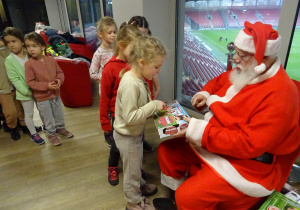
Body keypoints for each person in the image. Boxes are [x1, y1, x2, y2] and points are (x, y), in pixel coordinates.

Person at [154, 21, 300, 210]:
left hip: (244, 164)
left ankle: (183, 202)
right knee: (166, 152)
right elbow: (220, 80)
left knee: (188, 197)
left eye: (241, 54)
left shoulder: (281, 95)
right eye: (235, 51)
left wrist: (197, 130)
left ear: (263, 58)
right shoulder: (249, 69)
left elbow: (248, 144)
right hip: (216, 141)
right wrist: (204, 94)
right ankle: (179, 201)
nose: (235, 59)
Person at [114, 35, 166, 210]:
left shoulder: (139, 78)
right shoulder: (130, 84)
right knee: (131, 173)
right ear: (142, 62)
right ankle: (134, 203)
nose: (158, 71)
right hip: (127, 136)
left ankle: (140, 186)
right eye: (156, 67)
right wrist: (152, 106)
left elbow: (140, 108)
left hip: (134, 134)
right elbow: (130, 117)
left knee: (136, 166)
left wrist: (156, 111)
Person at [100, 24, 142, 185]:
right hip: (118, 117)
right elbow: (104, 99)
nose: (137, 54)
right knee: (117, 146)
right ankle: (112, 166)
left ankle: (134, 168)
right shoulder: (110, 69)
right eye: (134, 49)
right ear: (122, 46)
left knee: (135, 144)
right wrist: (105, 124)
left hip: (135, 114)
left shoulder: (135, 63)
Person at [24, 32, 73, 146]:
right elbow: (30, 82)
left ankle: (60, 128)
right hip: (42, 98)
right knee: (48, 118)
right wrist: (46, 86)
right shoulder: (29, 64)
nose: (31, 49)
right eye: (28, 46)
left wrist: (59, 80)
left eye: (34, 46)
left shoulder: (51, 60)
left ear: (42, 46)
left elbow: (60, 72)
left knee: (59, 114)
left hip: (55, 94)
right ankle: (51, 133)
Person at [4, 27, 44, 145]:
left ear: (22, 41)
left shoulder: (30, 53)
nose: (11, 45)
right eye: (8, 43)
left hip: (39, 89)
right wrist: (27, 91)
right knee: (29, 114)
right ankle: (33, 134)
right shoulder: (9, 60)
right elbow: (14, 79)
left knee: (42, 109)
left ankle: (47, 126)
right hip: (24, 92)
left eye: (14, 41)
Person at [128, 16, 161, 100]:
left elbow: (154, 70)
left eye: (145, 35)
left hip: (147, 89)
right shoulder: (128, 54)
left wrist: (157, 88)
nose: (142, 38)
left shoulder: (149, 50)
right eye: (139, 34)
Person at [0, 37, 25, 140]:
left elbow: (8, 55)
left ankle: (24, 125)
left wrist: (3, 46)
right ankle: (12, 128)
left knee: (21, 109)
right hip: (3, 88)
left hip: (17, 85)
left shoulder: (8, 49)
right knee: (10, 112)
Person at [89, 16, 117, 95]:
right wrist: (105, 78)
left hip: (117, 87)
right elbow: (92, 73)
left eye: (114, 32)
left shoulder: (116, 49)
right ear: (100, 34)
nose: (113, 35)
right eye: (109, 33)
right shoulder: (98, 53)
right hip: (106, 89)